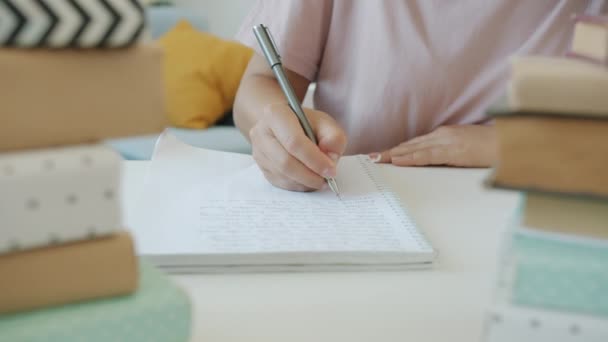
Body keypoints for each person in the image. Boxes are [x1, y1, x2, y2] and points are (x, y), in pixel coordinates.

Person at [233, 0, 603, 192]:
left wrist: (518, 145)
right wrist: (275, 128)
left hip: (533, 220)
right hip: (358, 210)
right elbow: (259, 85)